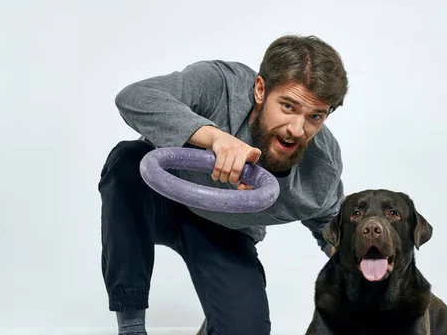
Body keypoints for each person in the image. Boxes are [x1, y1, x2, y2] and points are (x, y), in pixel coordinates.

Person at [98, 34, 349, 335]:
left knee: (245, 330)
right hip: (160, 202)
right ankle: (131, 327)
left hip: (225, 232)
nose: (297, 129)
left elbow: (331, 230)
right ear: (260, 89)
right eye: (288, 106)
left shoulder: (322, 168)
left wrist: (367, 268)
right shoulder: (220, 85)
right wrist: (214, 137)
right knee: (127, 161)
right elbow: (134, 97)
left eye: (315, 116)